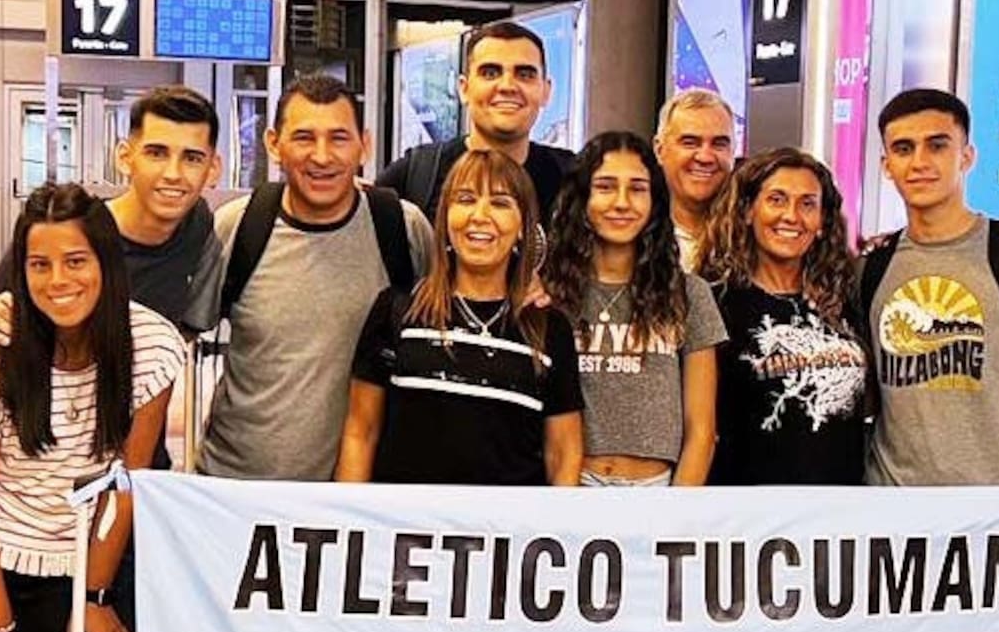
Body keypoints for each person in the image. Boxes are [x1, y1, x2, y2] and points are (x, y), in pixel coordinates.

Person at [0, 184, 185, 632]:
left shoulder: (152, 346)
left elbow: (126, 481)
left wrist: (92, 598)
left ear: (107, 264)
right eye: (39, 265)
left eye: (75, 261)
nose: (58, 281)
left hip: (73, 547)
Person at [184, 73, 433, 481]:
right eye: (303, 137)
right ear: (273, 144)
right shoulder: (237, 227)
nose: (321, 156)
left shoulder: (402, 229)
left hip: (358, 504)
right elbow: (173, 336)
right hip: (237, 492)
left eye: (338, 138)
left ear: (364, 145)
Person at [863, 88, 999, 485]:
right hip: (894, 516)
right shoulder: (867, 269)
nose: (919, 162)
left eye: (937, 145)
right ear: (886, 165)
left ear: (966, 157)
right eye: (903, 148)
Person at [336, 149, 584, 485]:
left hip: (508, 532)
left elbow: (564, 453)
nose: (480, 216)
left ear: (524, 226)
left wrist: (556, 533)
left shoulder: (549, 328)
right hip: (408, 531)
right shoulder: (397, 311)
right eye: (466, 199)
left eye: (500, 203)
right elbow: (360, 434)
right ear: (445, 218)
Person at [0, 85, 221, 342]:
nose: (173, 174)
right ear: (124, 158)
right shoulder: (65, 233)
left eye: (192, 158)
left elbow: (187, 332)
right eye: (156, 153)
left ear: (212, 169)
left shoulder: (198, 224)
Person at [543, 132, 724, 486]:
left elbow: (702, 430)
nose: (622, 202)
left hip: (658, 488)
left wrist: (677, 514)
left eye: (638, 188)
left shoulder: (689, 293)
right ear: (582, 198)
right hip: (572, 483)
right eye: (606, 187)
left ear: (655, 200)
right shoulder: (549, 293)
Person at [697, 148, 867, 485]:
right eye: (776, 199)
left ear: (822, 222)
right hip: (751, 518)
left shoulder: (846, 296)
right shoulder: (714, 300)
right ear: (747, 211)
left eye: (807, 204)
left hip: (844, 515)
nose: (791, 216)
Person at [376, 21, 575, 222]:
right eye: (490, 73)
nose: (507, 86)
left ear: (546, 91)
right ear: (464, 89)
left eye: (524, 75)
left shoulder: (574, 180)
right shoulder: (413, 178)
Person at [653, 88, 736, 272]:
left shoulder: (754, 239)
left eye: (719, 144)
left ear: (733, 153)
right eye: (690, 142)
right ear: (659, 150)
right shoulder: (634, 237)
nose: (705, 157)